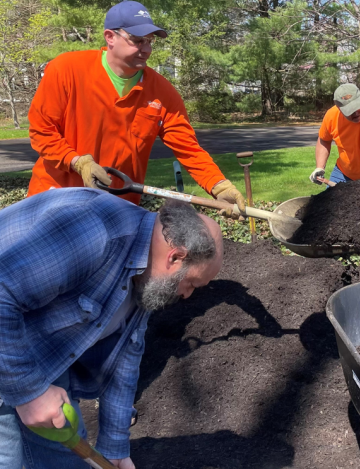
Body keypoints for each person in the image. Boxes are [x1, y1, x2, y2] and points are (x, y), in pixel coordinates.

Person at [0, 188, 223, 469]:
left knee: (65, 461)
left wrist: (114, 447)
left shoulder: (145, 273)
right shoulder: (93, 232)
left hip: (37, 349)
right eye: (191, 283)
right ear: (175, 257)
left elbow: (126, 355)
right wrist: (28, 392)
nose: (188, 295)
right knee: (7, 459)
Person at [27, 0, 245, 216]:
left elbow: (189, 149)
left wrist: (218, 185)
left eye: (150, 41)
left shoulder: (163, 93)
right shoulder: (66, 70)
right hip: (54, 200)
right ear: (110, 37)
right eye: (137, 41)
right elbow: (42, 132)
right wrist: (77, 162)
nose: (147, 49)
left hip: (116, 207)